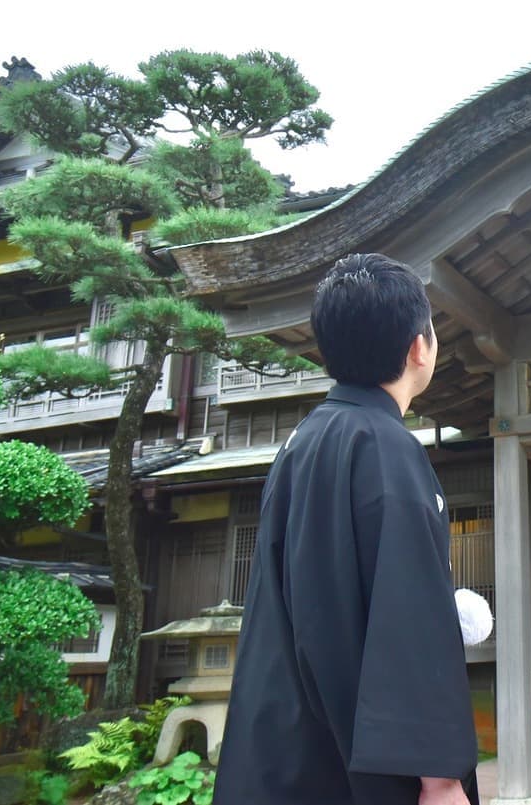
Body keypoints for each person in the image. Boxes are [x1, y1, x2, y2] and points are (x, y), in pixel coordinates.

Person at [215, 254, 479, 805]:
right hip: (368, 761)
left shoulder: (299, 446)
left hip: (289, 746)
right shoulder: (388, 449)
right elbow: (409, 613)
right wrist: (440, 776)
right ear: (419, 347)